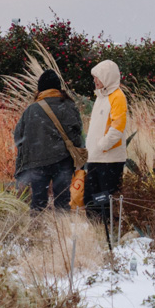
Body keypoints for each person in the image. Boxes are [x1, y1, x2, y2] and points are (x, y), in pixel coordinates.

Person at [13, 70, 84, 212]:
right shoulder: (69, 106)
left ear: (40, 89)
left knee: (38, 201)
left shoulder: (31, 110)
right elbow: (77, 134)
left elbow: (18, 137)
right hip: (63, 161)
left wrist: (31, 151)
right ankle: (62, 231)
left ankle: (36, 230)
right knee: (63, 201)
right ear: (58, 88)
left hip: (37, 162)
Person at [84, 59, 128, 222]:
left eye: (98, 77)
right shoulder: (101, 97)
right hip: (96, 158)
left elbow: (117, 128)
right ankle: (96, 233)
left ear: (107, 77)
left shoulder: (117, 97)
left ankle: (108, 233)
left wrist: (101, 146)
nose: (95, 80)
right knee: (91, 200)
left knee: (106, 201)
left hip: (110, 159)